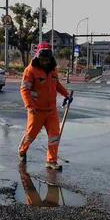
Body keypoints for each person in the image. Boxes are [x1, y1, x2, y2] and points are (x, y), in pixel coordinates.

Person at [19, 42, 72, 170]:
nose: (44, 62)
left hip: (51, 110)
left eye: (47, 59)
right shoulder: (30, 70)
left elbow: (56, 84)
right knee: (31, 134)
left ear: (50, 58)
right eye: (42, 59)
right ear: (38, 57)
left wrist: (66, 94)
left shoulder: (53, 69)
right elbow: (24, 90)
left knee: (54, 136)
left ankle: (51, 161)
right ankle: (22, 150)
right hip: (36, 110)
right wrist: (29, 106)